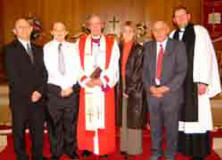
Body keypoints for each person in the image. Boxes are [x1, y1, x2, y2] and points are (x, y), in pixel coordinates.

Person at [170, 6, 221, 160]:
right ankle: (186, 148)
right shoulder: (173, 35)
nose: (180, 18)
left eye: (183, 15)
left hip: (195, 82)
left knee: (198, 116)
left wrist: (204, 81)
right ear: (174, 20)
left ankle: (199, 152)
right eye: (177, 16)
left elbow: (206, 56)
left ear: (189, 16)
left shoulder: (200, 31)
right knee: (182, 116)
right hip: (180, 84)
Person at [143, 21, 187, 160]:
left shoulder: (178, 46)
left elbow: (182, 71)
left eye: (161, 29)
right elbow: (143, 71)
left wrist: (166, 88)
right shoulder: (147, 46)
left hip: (171, 94)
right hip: (152, 93)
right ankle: (156, 152)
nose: (158, 32)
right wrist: (150, 87)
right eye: (155, 30)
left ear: (167, 30)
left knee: (171, 127)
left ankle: (170, 154)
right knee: (155, 126)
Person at [76, 14, 119, 157]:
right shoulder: (80, 43)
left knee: (104, 118)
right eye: (92, 24)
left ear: (103, 25)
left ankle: (104, 148)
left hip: (103, 88)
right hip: (87, 87)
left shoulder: (112, 43)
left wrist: (102, 80)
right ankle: (88, 146)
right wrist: (85, 79)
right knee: (87, 117)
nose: (95, 27)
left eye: (98, 24)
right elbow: (76, 65)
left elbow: (114, 65)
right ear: (88, 26)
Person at [4, 18, 47, 160]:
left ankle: (37, 156)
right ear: (14, 31)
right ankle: (22, 157)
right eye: (19, 27)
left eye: (26, 27)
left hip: (38, 98)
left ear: (31, 29)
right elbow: (13, 76)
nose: (23, 29)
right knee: (19, 131)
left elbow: (44, 73)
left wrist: (39, 91)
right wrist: (30, 93)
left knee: (38, 131)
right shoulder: (9, 50)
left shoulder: (39, 49)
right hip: (20, 99)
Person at [43, 22, 79, 160]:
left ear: (66, 32)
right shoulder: (46, 48)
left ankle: (71, 150)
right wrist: (59, 89)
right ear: (52, 32)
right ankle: (56, 152)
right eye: (56, 30)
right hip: (53, 92)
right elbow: (47, 70)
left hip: (71, 91)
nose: (59, 33)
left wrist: (70, 88)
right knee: (54, 124)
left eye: (62, 30)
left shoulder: (73, 48)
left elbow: (77, 68)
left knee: (70, 123)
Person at [116, 21, 147, 158]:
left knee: (134, 117)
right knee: (124, 116)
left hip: (134, 87)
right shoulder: (119, 47)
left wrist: (128, 89)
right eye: (124, 31)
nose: (127, 34)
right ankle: (124, 145)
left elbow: (138, 72)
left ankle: (133, 149)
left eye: (130, 31)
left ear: (134, 33)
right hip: (121, 84)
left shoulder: (139, 49)